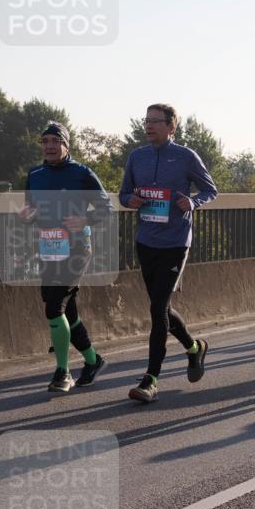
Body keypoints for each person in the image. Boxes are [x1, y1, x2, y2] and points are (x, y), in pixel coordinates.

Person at [120, 103, 218, 403]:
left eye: (156, 121)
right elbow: (123, 194)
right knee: (159, 307)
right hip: (146, 240)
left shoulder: (186, 156)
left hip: (175, 242)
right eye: (146, 120)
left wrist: (193, 202)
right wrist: (131, 200)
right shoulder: (137, 156)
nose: (149, 125)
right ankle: (193, 347)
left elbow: (210, 189)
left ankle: (150, 379)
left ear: (171, 126)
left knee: (157, 308)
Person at [18, 122, 112, 392]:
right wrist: (28, 216)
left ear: (66, 145)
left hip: (77, 248)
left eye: (54, 141)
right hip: (49, 249)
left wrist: (85, 218)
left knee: (54, 308)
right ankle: (93, 361)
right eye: (44, 140)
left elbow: (106, 207)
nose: (49, 145)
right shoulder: (34, 174)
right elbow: (32, 209)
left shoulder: (82, 173)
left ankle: (63, 372)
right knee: (66, 310)